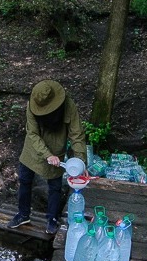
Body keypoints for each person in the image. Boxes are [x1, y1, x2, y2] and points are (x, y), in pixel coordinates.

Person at [7, 80, 87, 234]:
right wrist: (47, 154)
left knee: (55, 186)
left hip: (57, 147)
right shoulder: (32, 106)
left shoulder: (68, 106)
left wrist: (80, 161)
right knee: (25, 180)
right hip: (33, 148)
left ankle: (52, 219)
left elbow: (77, 135)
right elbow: (32, 133)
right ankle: (23, 214)